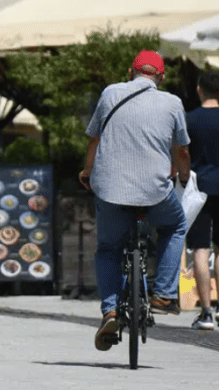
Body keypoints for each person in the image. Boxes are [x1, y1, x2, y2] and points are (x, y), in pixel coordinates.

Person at [80, 50, 190, 352]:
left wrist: (88, 172)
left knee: (108, 248)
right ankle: (164, 294)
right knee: (175, 226)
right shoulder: (173, 102)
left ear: (131, 72)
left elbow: (94, 140)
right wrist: (183, 178)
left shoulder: (110, 93)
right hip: (155, 191)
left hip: (110, 189)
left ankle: (111, 311)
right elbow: (181, 151)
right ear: (162, 77)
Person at [185, 70, 219, 330]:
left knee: (200, 248)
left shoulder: (190, 119)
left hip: (199, 189)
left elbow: (182, 153)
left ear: (199, 90)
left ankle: (206, 312)